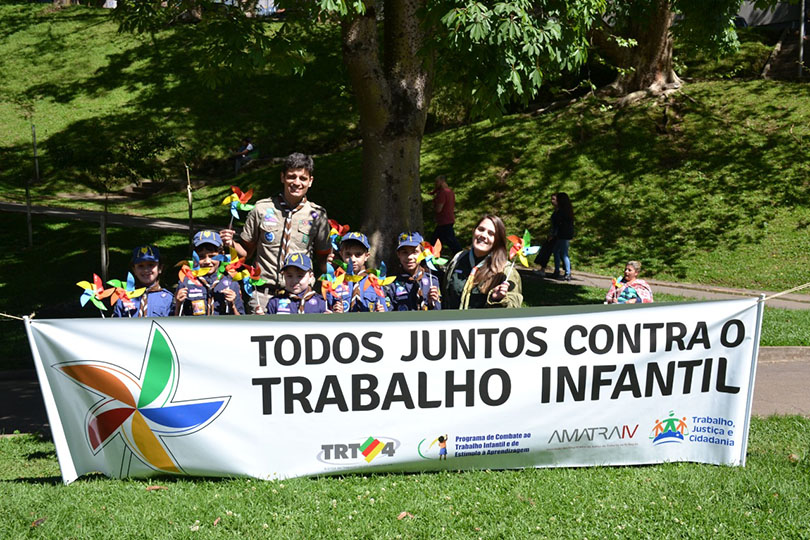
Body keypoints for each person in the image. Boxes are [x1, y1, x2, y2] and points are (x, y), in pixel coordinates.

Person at [220, 152, 331, 313]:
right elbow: (246, 252)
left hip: (301, 297)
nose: (297, 182)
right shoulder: (262, 209)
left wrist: (339, 267)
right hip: (263, 296)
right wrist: (231, 244)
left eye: (303, 178)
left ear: (310, 181)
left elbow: (323, 257)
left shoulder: (317, 215)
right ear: (282, 177)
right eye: (291, 176)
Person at [443, 214, 523, 309]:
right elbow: (446, 295)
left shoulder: (506, 272)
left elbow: (513, 311)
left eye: (491, 233)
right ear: (474, 231)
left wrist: (499, 300)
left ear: (497, 240)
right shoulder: (458, 259)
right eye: (481, 229)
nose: (483, 235)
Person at [174, 231, 245, 316]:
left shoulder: (231, 283)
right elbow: (174, 321)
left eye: (212, 256)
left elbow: (241, 322)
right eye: (201, 256)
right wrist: (178, 304)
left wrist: (232, 305)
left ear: (221, 255)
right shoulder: (185, 283)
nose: (207, 261)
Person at [331, 232, 388, 312]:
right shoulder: (335, 281)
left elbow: (385, 313)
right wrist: (335, 313)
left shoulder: (374, 282)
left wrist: (381, 313)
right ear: (341, 254)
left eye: (358, 255)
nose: (353, 260)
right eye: (348, 254)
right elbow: (326, 311)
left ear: (366, 256)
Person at [113, 245, 174, 317]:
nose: (146, 270)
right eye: (140, 266)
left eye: (151, 265)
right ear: (134, 270)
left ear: (160, 268)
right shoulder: (125, 297)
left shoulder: (168, 298)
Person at [387, 232, 441, 311]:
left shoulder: (432, 281)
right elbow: (388, 315)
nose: (409, 257)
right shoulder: (391, 283)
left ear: (423, 253)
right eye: (404, 252)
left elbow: (438, 315)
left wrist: (432, 303)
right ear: (398, 254)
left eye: (415, 252)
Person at [535, 192, 574, 281]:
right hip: (562, 234)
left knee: (563, 253)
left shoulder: (562, 212)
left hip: (563, 235)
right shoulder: (563, 211)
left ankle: (567, 273)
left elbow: (559, 225)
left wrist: (553, 234)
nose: (552, 201)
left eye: (554, 199)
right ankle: (557, 271)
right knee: (557, 252)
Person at [430, 175, 461, 254]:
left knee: (451, 241)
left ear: (442, 182)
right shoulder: (450, 191)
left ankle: (461, 256)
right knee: (436, 241)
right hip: (448, 220)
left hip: (444, 221)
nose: (435, 184)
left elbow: (438, 209)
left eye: (437, 182)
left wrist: (433, 206)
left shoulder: (442, 193)